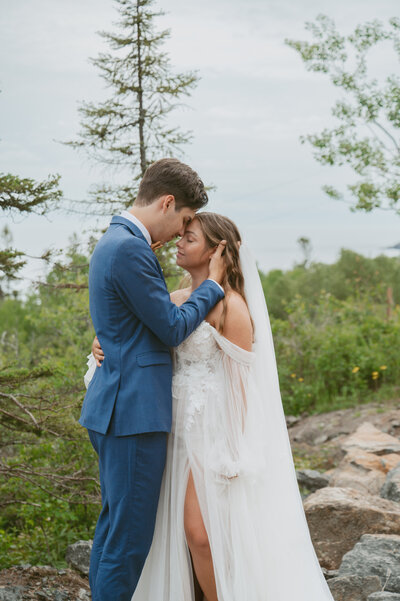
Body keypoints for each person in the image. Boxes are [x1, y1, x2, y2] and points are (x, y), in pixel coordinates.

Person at [90, 212, 336, 601]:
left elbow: (242, 389)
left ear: (217, 250)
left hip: (211, 432)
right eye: (181, 235)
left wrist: (233, 451)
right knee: (169, 536)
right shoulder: (175, 300)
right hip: (169, 428)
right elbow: (137, 338)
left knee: (200, 535)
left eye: (189, 238)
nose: (179, 243)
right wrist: (99, 344)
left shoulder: (231, 308)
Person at [80, 158, 227, 601]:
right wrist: (213, 285)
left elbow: (131, 322)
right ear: (167, 202)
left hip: (120, 407)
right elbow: (171, 327)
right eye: (182, 221)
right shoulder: (129, 247)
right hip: (132, 414)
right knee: (126, 542)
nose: (177, 236)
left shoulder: (116, 241)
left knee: (114, 530)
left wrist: (106, 340)